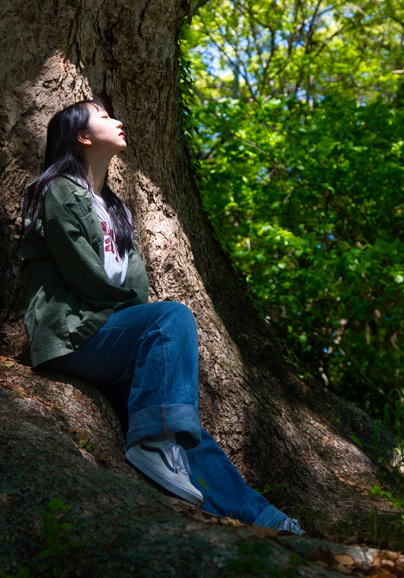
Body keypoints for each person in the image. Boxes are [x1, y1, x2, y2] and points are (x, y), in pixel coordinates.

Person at [19, 99, 303, 533]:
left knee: (181, 426)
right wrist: (144, 321)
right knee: (170, 319)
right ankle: (151, 445)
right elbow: (81, 273)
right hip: (73, 336)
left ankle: (264, 518)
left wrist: (137, 323)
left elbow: (134, 289)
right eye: (104, 117)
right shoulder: (59, 190)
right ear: (81, 136)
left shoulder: (116, 209)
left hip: (110, 338)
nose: (119, 120)